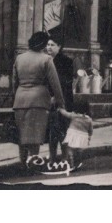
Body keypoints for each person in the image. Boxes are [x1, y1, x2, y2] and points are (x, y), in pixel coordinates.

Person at [12, 31, 66, 171]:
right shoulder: (46, 59)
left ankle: (23, 163)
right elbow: (55, 84)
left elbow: (14, 81)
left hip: (20, 99)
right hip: (39, 100)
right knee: (35, 135)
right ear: (42, 44)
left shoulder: (19, 58)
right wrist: (61, 103)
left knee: (22, 135)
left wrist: (15, 98)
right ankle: (33, 165)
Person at [46, 32, 74, 162]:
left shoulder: (66, 61)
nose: (49, 47)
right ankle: (52, 157)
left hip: (63, 101)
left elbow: (65, 82)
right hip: (49, 100)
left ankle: (65, 157)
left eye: (52, 45)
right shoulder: (46, 61)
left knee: (63, 129)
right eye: (48, 44)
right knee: (52, 131)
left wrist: (55, 96)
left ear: (59, 47)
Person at [49, 106, 93, 173]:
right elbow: (90, 130)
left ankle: (71, 165)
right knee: (79, 151)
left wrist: (60, 109)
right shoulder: (89, 119)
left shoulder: (74, 116)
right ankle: (77, 163)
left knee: (70, 150)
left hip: (73, 135)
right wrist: (89, 136)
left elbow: (65, 113)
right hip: (82, 137)